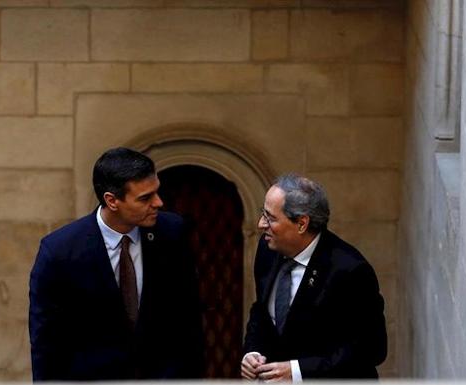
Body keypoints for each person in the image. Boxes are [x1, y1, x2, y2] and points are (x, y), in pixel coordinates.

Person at [29, 147, 203, 381]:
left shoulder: (172, 233)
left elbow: (188, 321)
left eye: (156, 192)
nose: (158, 202)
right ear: (112, 200)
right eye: (145, 198)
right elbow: (46, 341)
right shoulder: (60, 251)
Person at [241, 174, 387, 381]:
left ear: (301, 224)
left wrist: (297, 371)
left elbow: (371, 349)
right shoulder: (268, 250)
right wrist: (252, 352)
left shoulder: (350, 271)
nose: (260, 224)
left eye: (271, 218)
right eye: (263, 214)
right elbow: (262, 312)